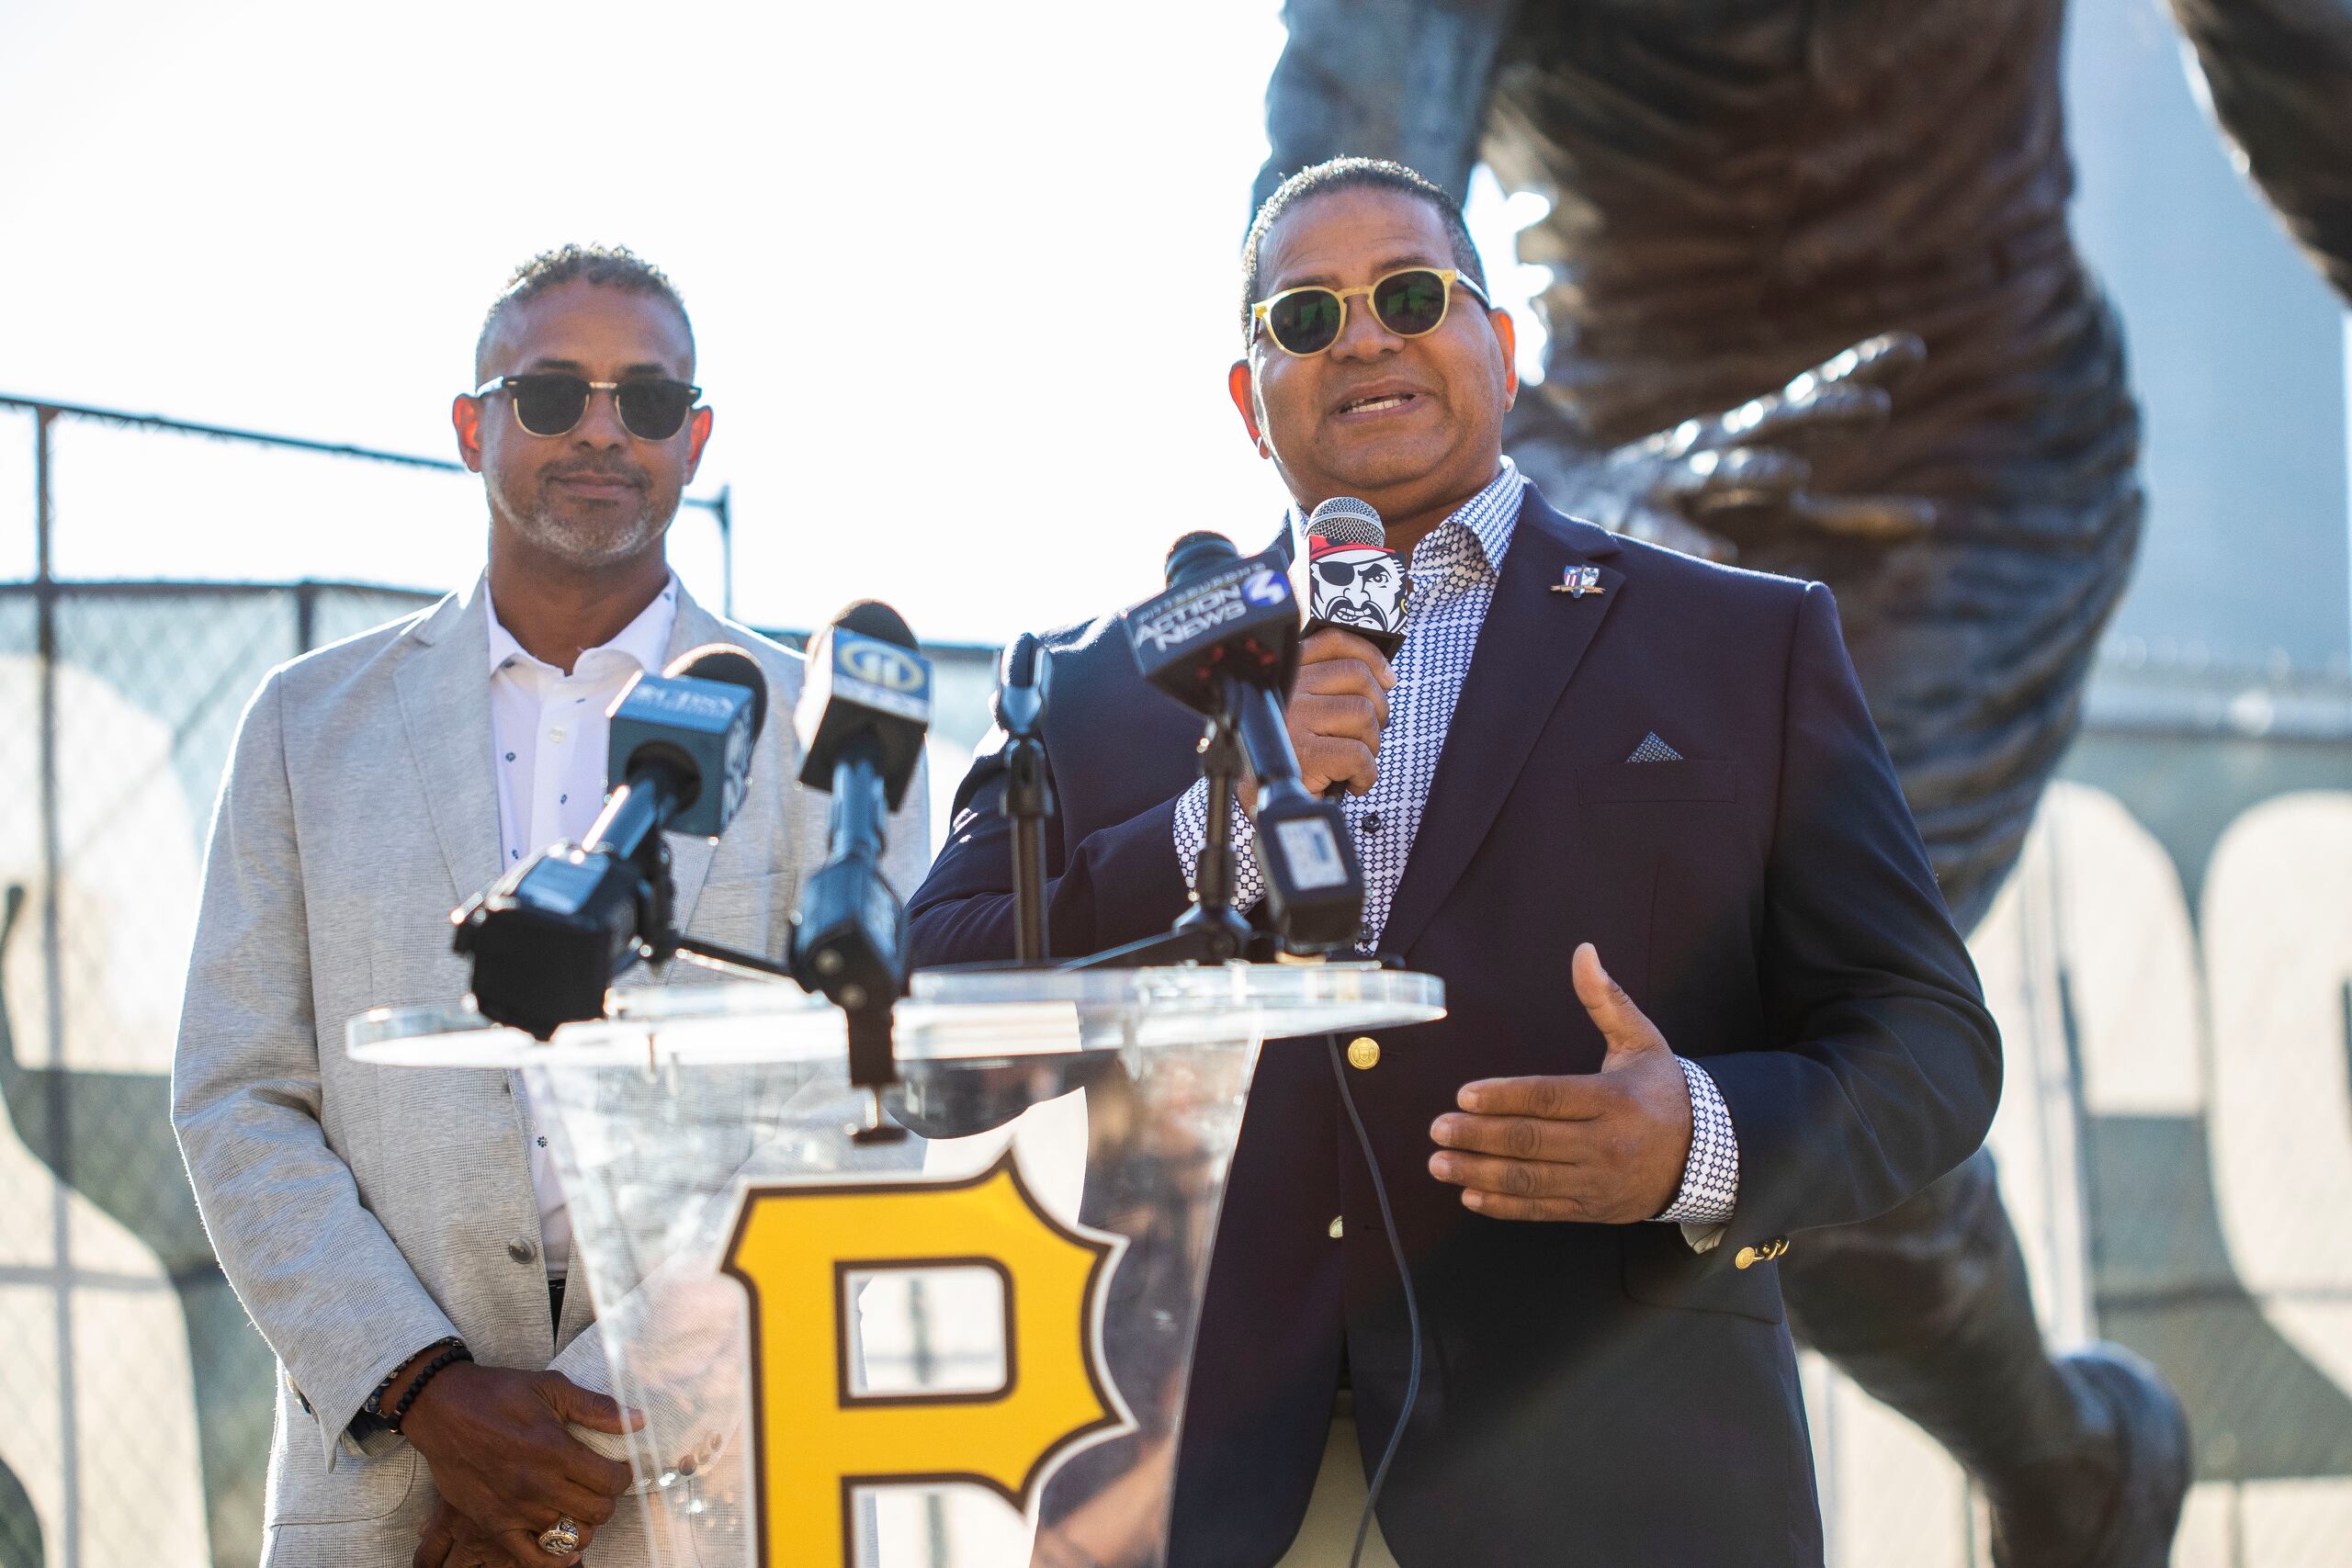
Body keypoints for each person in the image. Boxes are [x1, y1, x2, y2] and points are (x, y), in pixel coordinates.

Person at [909, 159, 2002, 1566]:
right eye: (1304, 317)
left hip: (1609, 1485)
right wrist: (1216, 829)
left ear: (1502, 342)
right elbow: (929, 1027)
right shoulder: (1103, 688)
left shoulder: (1744, 644)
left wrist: (1700, 1140)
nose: (1362, 337)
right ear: (1251, 400)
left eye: (1411, 295)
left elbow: (1928, 1046)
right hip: (1192, 1498)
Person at [171, 245, 927, 1568]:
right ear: (473, 426)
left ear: (694, 440)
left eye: (643, 401)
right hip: (387, 1490)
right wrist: (427, 1397)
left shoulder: (829, 735)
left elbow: (856, 1114)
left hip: (722, 1494)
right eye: (550, 394)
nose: (598, 429)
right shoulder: (307, 727)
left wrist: (569, 1452)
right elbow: (238, 1094)